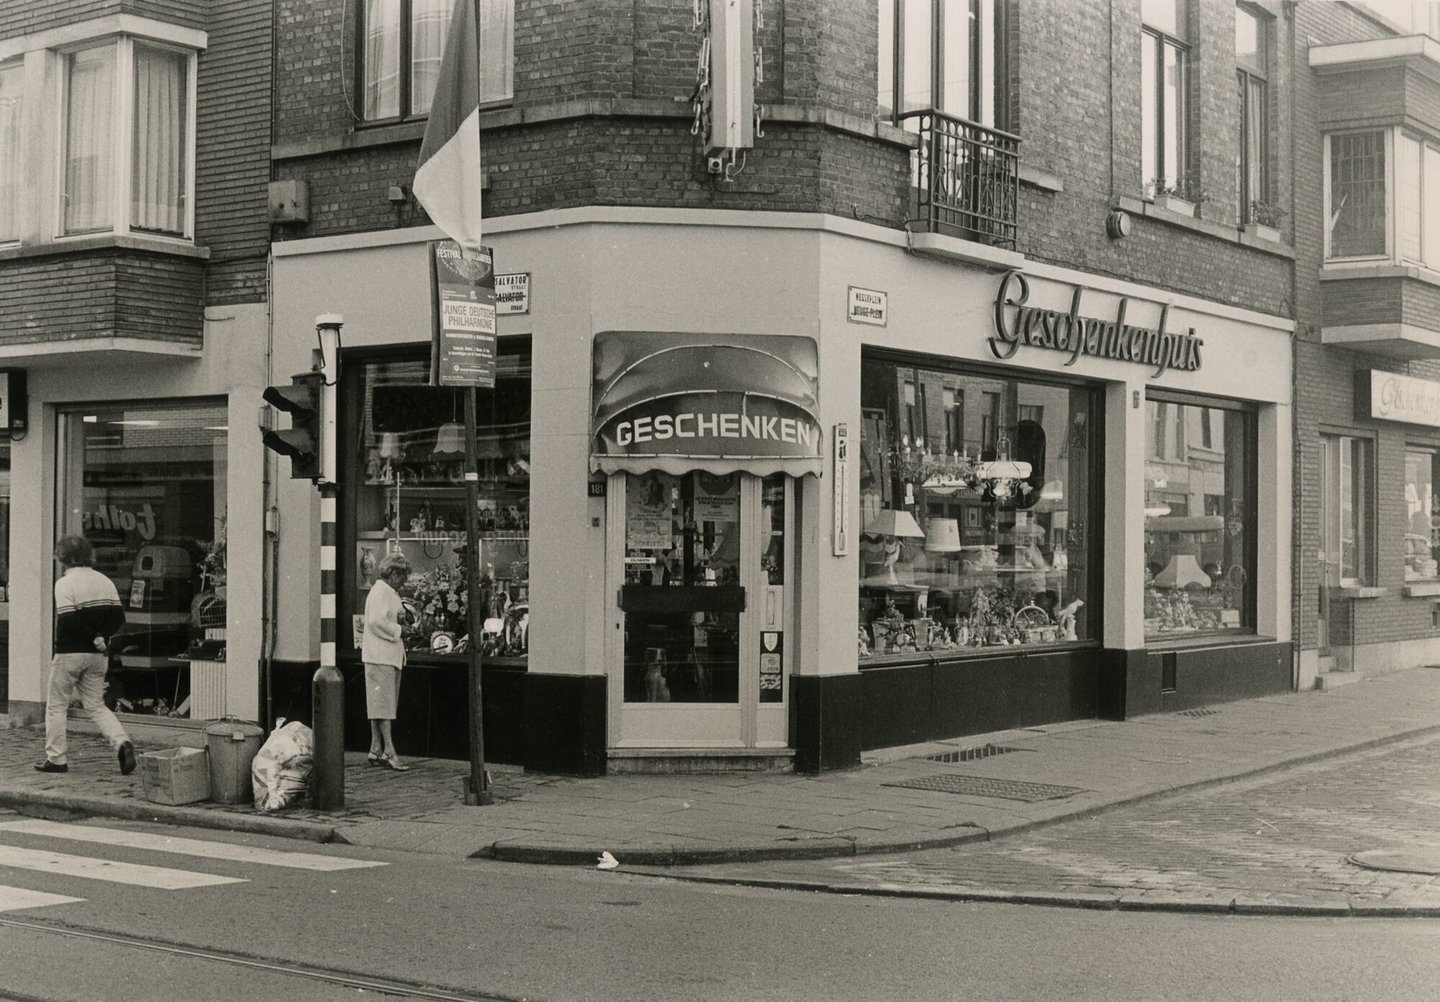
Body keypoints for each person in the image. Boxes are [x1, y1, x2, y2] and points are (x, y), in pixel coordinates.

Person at [37, 535, 135, 775]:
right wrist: (102, 637)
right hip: (97, 656)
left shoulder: (64, 583)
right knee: (96, 706)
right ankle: (121, 741)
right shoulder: (104, 581)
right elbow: (118, 617)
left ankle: (56, 759)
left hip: (69, 653)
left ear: (63, 557)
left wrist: (92, 637)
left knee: (57, 706)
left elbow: (69, 621)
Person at [362, 552, 412, 771]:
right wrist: (400, 630)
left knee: (379, 705)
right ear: (392, 573)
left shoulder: (386, 592)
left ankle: (375, 749)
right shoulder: (380, 592)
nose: (405, 581)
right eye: (402, 576)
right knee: (384, 707)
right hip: (381, 656)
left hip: (385, 656)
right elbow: (375, 621)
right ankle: (389, 752)